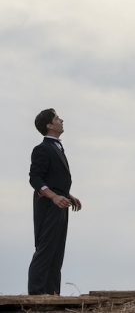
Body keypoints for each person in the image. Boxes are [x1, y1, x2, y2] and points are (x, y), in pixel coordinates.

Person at [28, 108, 82, 295]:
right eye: (57, 118)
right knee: (45, 249)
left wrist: (67, 194)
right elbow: (35, 179)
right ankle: (36, 296)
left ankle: (52, 295)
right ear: (49, 125)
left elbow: (54, 179)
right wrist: (53, 196)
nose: (61, 120)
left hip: (60, 203)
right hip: (49, 206)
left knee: (57, 251)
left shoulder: (56, 147)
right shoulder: (42, 149)